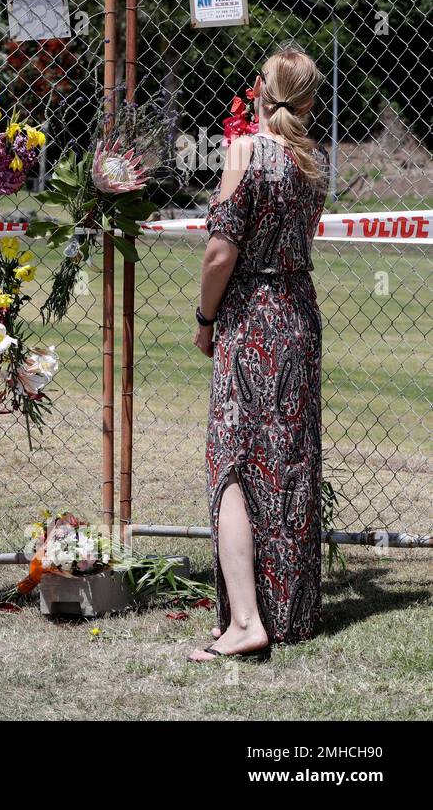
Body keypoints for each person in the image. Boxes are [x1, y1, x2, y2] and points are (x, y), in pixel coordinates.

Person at [189, 48, 327, 663]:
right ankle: (290, 612)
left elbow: (222, 252)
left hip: (250, 318)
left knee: (235, 463)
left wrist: (204, 318)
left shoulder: (246, 151)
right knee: (289, 463)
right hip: (299, 315)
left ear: (259, 90)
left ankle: (246, 621)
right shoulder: (312, 162)